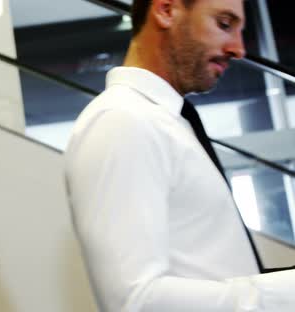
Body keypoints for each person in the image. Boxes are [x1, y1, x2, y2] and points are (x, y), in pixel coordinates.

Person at [65, 0, 295, 311]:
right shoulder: (122, 121)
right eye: (224, 24)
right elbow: (134, 301)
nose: (238, 49)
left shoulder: (167, 121)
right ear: (166, 10)